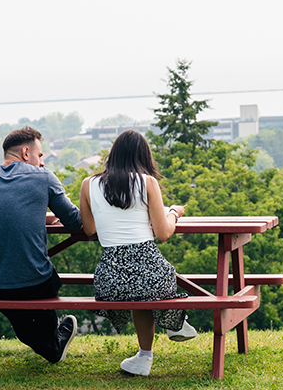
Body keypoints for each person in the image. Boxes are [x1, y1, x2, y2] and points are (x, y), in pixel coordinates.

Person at [0, 126, 81, 364]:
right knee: (48, 281)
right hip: (36, 285)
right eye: (40, 156)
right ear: (25, 152)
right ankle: (52, 344)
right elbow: (74, 221)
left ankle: (51, 344)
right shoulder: (44, 177)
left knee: (21, 307)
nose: (41, 162)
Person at [79, 129, 197, 376]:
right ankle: (174, 322)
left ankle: (145, 357)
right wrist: (174, 212)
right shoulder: (147, 183)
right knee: (157, 278)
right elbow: (163, 233)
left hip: (110, 279)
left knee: (138, 288)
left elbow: (90, 229)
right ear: (143, 156)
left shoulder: (88, 184)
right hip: (149, 274)